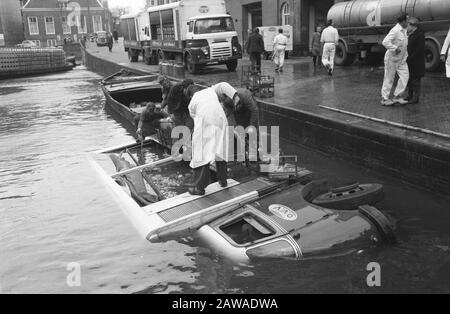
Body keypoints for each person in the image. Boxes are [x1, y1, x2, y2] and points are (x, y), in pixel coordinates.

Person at [187, 87, 229, 196]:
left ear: (191, 95)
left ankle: (199, 187)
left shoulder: (192, 102)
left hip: (206, 122)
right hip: (221, 119)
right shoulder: (211, 91)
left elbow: (195, 118)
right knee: (220, 150)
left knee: (201, 154)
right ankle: (223, 180)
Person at [381, 14, 410, 106]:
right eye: (407, 20)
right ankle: (384, 99)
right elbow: (385, 42)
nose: (408, 22)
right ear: (402, 21)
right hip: (392, 59)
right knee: (389, 79)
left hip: (401, 60)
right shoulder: (395, 30)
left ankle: (397, 96)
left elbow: (404, 45)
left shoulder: (404, 30)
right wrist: (394, 48)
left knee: (405, 76)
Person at [406, 17, 425, 104]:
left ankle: (415, 98)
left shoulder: (419, 34)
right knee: (409, 80)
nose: (407, 27)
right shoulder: (410, 34)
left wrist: (411, 57)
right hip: (410, 62)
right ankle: (410, 95)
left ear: (412, 26)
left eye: (408, 25)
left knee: (415, 80)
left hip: (416, 62)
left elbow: (419, 49)